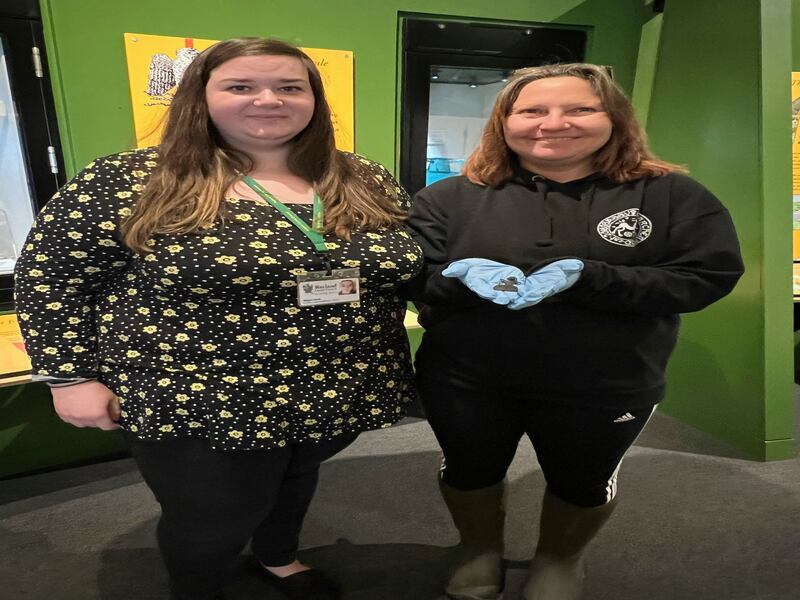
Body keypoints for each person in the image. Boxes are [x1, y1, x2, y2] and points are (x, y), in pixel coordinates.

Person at [14, 37, 423, 600]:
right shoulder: (131, 179)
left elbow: (402, 260)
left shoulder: (358, 175)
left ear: (313, 98)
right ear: (199, 96)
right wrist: (70, 375)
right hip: (199, 391)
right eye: (240, 86)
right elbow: (52, 278)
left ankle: (278, 557)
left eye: (288, 87)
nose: (267, 99)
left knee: (296, 479)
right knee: (213, 517)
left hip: (337, 381)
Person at [403, 63, 744, 600]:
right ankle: (479, 551)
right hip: (467, 377)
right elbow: (408, 274)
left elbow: (708, 277)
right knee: (469, 469)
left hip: (607, 381)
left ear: (614, 118)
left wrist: (595, 278)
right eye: (532, 110)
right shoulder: (447, 198)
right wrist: (458, 277)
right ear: (505, 120)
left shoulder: (672, 195)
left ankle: (561, 560)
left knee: (582, 480)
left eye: (579, 108)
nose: (553, 122)